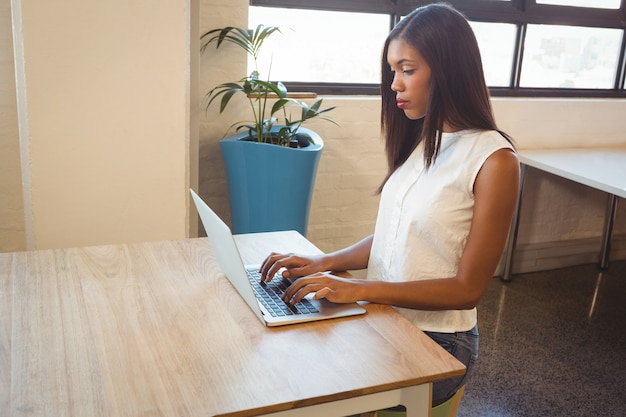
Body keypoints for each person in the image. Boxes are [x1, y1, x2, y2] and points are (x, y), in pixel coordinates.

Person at [259, 2, 520, 407]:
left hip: (439, 339)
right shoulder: (422, 140)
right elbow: (396, 235)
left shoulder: (494, 160)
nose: (395, 83)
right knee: (285, 355)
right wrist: (323, 262)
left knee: (307, 383)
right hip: (385, 315)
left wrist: (357, 288)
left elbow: (467, 289)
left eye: (408, 69)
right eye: (392, 71)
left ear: (448, 69)